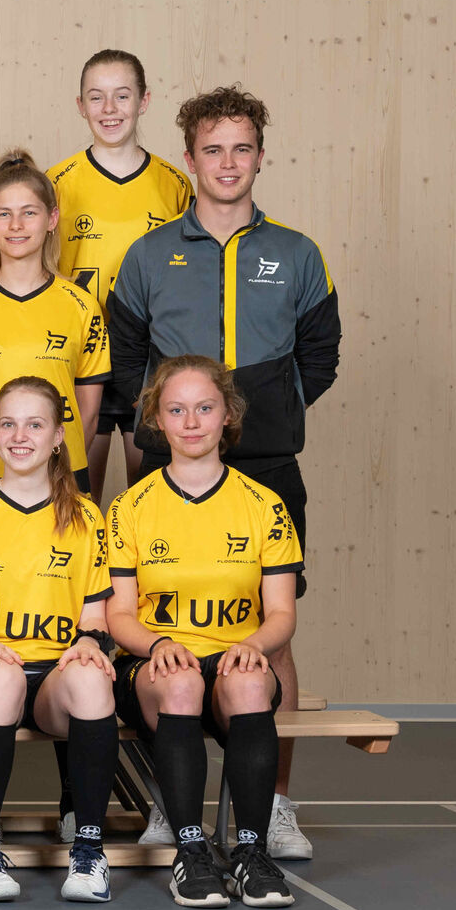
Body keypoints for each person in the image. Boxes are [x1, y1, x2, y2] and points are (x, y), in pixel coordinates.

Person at [107, 86, 339, 860]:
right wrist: (162, 423)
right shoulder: (148, 255)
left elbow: (321, 355)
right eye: (213, 149)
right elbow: (125, 358)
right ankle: (172, 805)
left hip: (267, 462)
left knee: (272, 633)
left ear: (261, 156)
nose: (228, 162)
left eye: (242, 148)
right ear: (190, 159)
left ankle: (273, 807)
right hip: (169, 461)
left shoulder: (298, 253)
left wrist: (268, 408)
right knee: (158, 623)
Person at [107, 356, 300, 909]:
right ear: (156, 420)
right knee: (182, 682)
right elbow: (120, 616)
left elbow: (281, 613)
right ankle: (190, 852)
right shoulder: (131, 507)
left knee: (248, 681)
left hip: (233, 656)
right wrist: (159, 644)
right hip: (156, 664)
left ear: (227, 415)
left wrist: (254, 645)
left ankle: (250, 852)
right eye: (176, 410)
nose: (191, 422)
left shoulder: (264, 505)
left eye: (204, 408)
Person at [0, 377, 118, 903]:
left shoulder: (85, 516)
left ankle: (89, 850)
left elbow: (96, 618)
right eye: (8, 424)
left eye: (34, 424)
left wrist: (90, 643)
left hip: (52, 682)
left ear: (58, 436)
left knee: (91, 676)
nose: (20, 436)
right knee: (2, 675)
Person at [51, 49, 194, 494]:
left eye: (122, 95)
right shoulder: (56, 182)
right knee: (75, 503)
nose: (109, 109)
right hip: (78, 360)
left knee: (149, 500)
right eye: (96, 97)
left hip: (149, 362)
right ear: (81, 105)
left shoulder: (174, 184)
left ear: (144, 100)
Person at [0, 151, 109, 499]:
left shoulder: (81, 306)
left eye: (29, 213)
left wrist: (52, 464)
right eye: (4, 214)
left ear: (52, 219)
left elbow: (88, 414)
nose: (16, 225)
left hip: (59, 480)